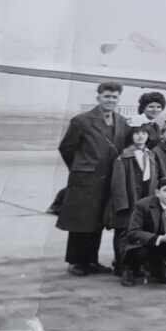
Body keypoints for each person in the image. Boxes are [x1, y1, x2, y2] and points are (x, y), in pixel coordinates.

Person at [55, 82, 128, 276]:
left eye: (114, 97)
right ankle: (76, 262)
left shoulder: (121, 121)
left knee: (97, 221)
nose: (110, 100)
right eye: (106, 96)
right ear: (98, 98)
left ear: (118, 99)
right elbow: (67, 148)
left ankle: (92, 261)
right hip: (86, 180)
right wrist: (81, 168)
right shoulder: (82, 121)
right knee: (81, 221)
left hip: (109, 180)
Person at [107, 123, 159, 276]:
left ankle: (137, 265)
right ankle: (121, 264)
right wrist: (122, 204)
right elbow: (118, 184)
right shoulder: (124, 156)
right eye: (136, 133)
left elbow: (153, 178)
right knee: (123, 233)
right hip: (129, 202)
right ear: (131, 136)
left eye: (144, 133)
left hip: (145, 200)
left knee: (141, 233)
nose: (140, 136)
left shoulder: (150, 155)